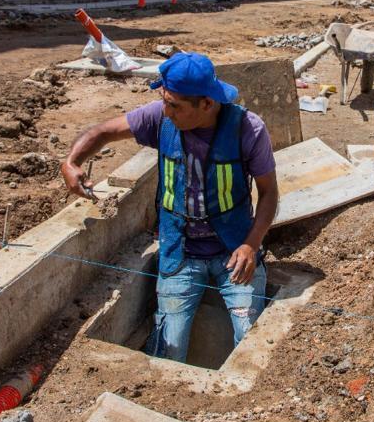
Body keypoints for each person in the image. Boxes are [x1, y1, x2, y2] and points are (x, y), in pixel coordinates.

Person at [61, 52, 279, 363]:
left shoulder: (248, 128)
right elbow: (102, 132)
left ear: (206, 103)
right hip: (181, 252)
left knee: (249, 343)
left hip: (233, 251)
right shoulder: (161, 119)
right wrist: (71, 162)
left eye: (174, 104)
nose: (166, 110)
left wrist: (250, 245)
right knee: (169, 349)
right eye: (164, 99)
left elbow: (269, 193)